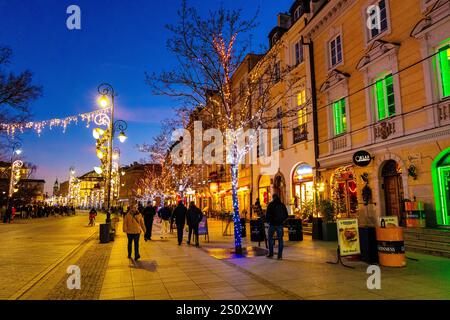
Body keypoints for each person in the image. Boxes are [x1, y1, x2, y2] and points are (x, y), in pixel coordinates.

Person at [265, 194, 288, 260]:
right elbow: (286, 215)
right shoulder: (282, 205)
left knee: (270, 238)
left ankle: (271, 253)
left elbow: (267, 215)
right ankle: (280, 256)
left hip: (272, 224)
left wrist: (269, 221)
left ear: (273, 198)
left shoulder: (270, 205)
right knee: (280, 239)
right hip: (280, 225)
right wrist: (282, 221)